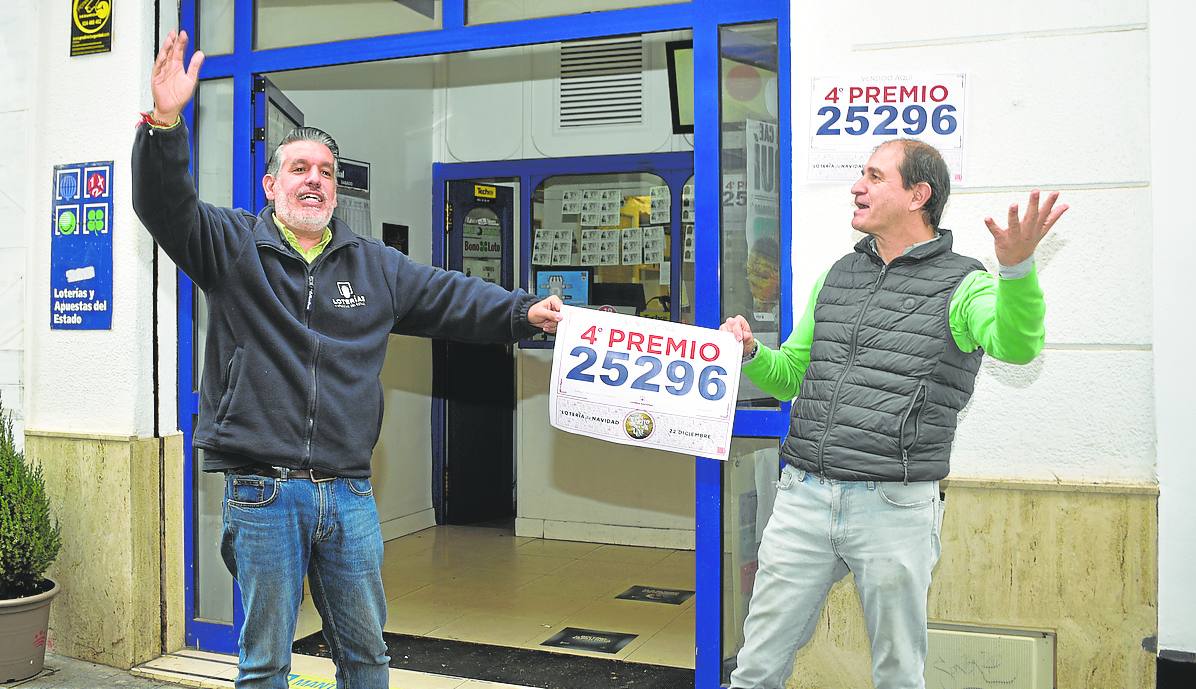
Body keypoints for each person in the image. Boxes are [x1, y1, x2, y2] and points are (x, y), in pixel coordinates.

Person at [131, 30, 563, 689]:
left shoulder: (374, 267)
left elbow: (451, 294)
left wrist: (522, 310)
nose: (314, 181)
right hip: (263, 491)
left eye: (326, 172)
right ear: (271, 184)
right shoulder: (230, 245)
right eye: (299, 170)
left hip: (349, 493)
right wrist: (164, 126)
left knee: (366, 658)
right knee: (266, 661)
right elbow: (165, 206)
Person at [720, 138, 1067, 689]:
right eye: (861, 174)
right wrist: (750, 354)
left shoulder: (964, 283)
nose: (858, 186)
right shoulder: (839, 276)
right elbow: (790, 375)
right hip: (804, 495)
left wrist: (1017, 268)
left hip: (893, 505)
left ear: (918, 195)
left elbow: (1016, 345)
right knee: (755, 667)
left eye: (875, 176)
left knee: (897, 675)